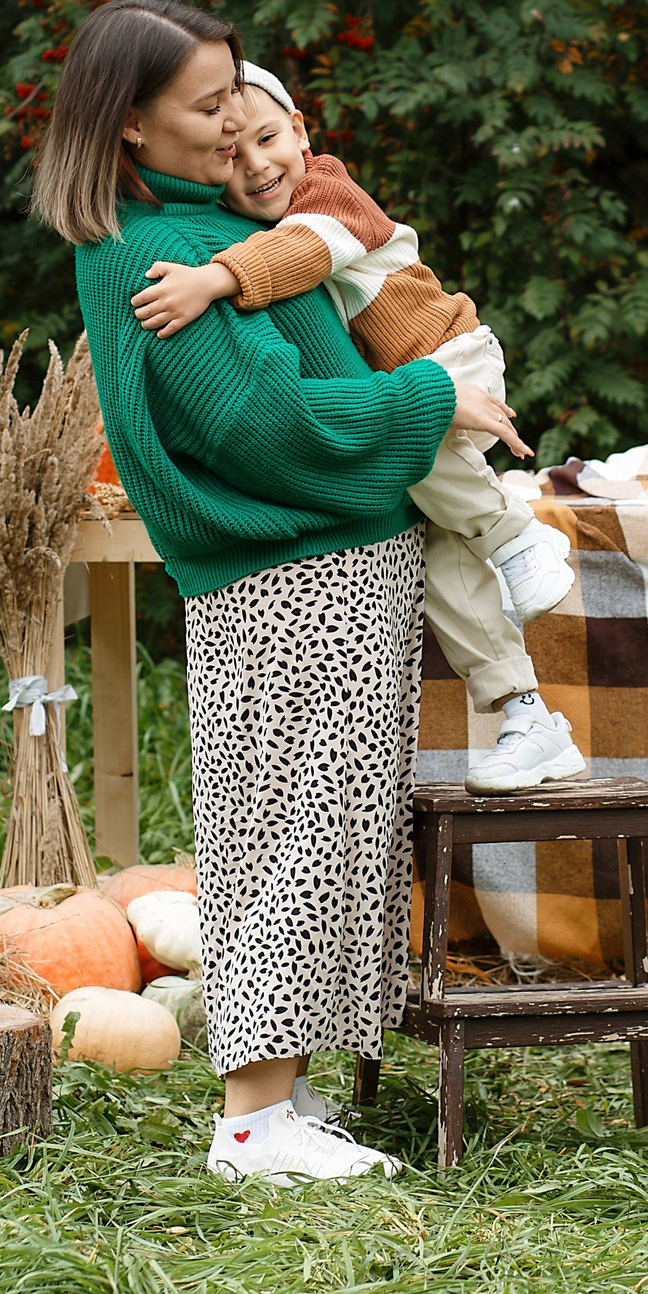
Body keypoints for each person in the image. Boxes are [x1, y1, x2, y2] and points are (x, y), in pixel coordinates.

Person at [36, 0, 529, 1185]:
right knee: (299, 832)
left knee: (321, 824)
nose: (230, 125)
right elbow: (256, 423)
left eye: (233, 96)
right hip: (294, 572)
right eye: (205, 109)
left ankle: (285, 1096)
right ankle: (252, 1122)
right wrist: (429, 403)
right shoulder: (155, 253)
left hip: (319, 567)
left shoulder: (201, 222)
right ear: (126, 132)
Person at [127, 63, 587, 795]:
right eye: (234, 155)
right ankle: (527, 714)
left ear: (304, 132)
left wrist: (211, 279)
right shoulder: (253, 223)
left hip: (449, 359)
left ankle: (519, 537)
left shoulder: (329, 193)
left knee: (426, 467)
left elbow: (307, 252)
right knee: (445, 566)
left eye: (270, 138)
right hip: (407, 398)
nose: (257, 165)